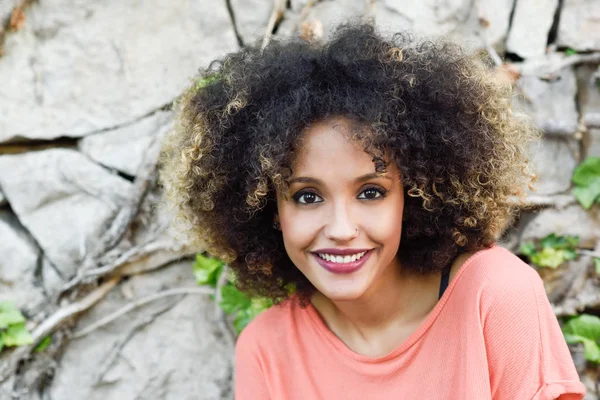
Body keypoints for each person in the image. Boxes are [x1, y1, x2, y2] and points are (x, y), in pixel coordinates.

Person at [160, 23, 586, 399]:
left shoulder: (494, 296)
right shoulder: (267, 347)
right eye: (307, 196)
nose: (342, 229)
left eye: (370, 192)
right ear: (271, 209)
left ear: (414, 195)